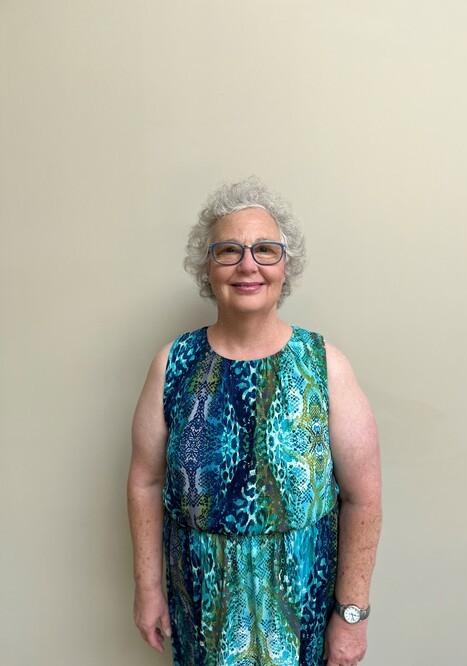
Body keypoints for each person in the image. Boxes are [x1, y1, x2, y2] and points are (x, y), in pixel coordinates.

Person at [127, 177, 382, 666]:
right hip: (200, 609)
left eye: (265, 249)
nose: (248, 265)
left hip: (304, 613)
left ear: (286, 265)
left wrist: (352, 615)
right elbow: (145, 481)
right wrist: (147, 587)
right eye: (229, 250)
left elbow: (363, 499)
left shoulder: (324, 365)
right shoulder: (173, 364)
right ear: (208, 267)